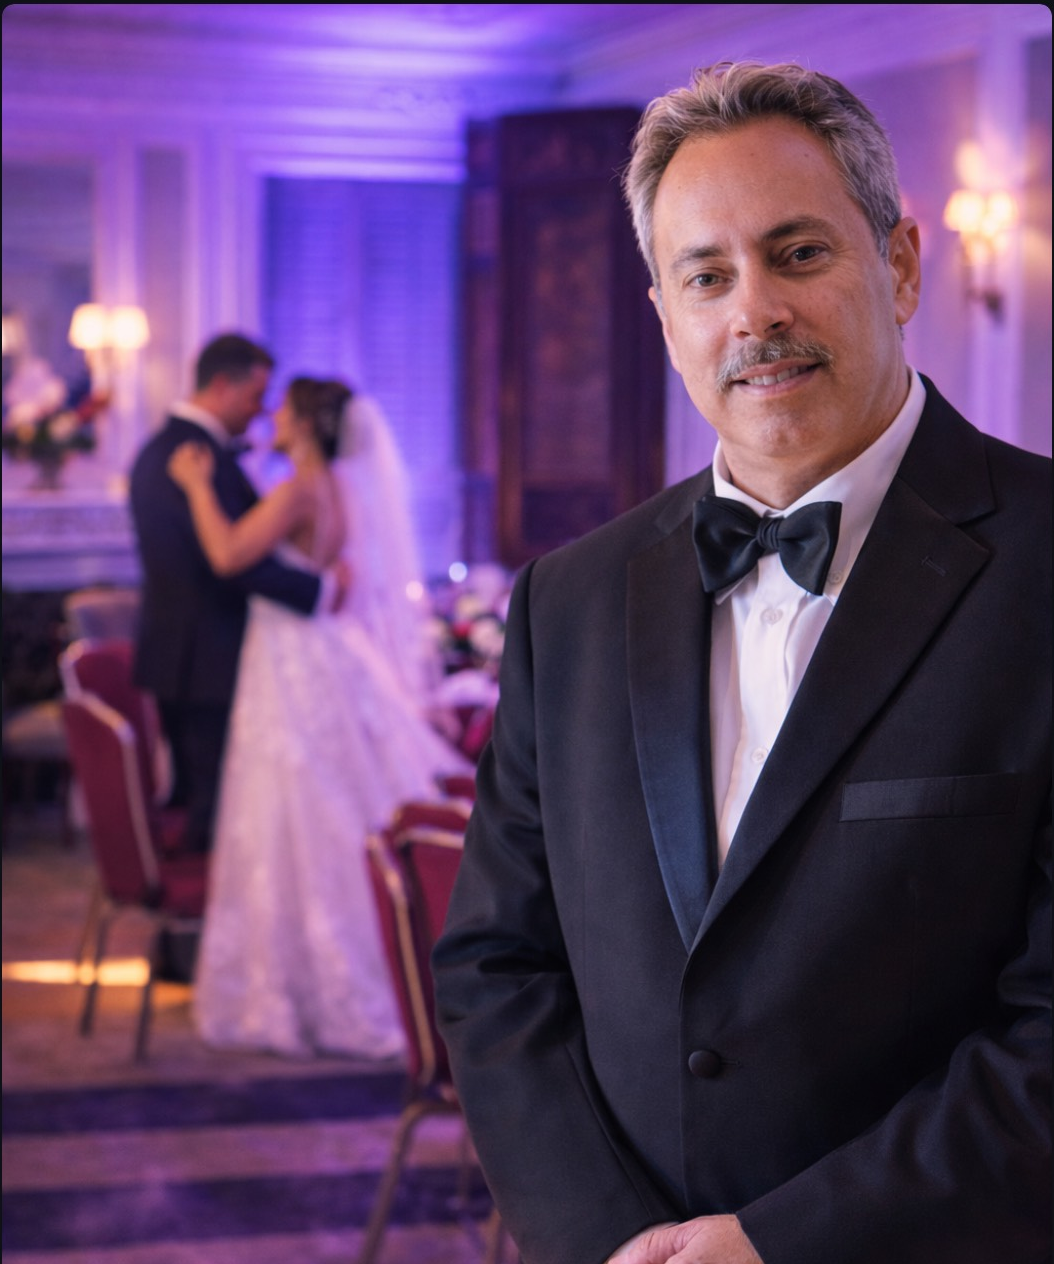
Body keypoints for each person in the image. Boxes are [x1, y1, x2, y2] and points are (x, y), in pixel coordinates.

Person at [432, 62, 1050, 1264]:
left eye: (799, 254)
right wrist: (609, 1239)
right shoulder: (569, 599)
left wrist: (780, 1243)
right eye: (706, 276)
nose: (752, 312)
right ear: (664, 317)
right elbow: (496, 966)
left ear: (903, 264)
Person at [168, 376, 469, 1057]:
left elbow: (227, 554)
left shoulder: (300, 487)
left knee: (293, 808)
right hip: (319, 651)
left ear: (303, 422)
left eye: (283, 408)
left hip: (290, 661)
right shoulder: (341, 486)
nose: (272, 416)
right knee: (324, 804)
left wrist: (194, 488)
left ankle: (304, 984)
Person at [130, 333, 336, 855]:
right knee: (212, 812)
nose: (262, 411)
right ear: (222, 385)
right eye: (254, 396)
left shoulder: (177, 452)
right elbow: (228, 563)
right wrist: (320, 591)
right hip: (203, 659)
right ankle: (197, 928)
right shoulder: (187, 456)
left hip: (204, 657)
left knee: (223, 806)